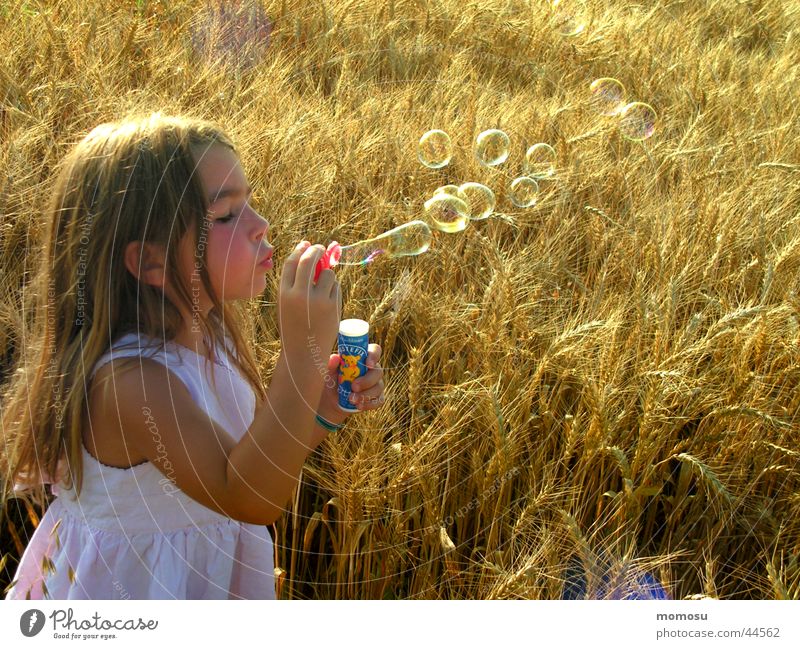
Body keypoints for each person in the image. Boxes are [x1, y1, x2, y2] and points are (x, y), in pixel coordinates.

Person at [0, 113, 386, 599]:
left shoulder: (211, 334)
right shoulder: (130, 383)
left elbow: (247, 458)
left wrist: (323, 408)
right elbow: (246, 495)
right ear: (151, 261)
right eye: (225, 215)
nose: (260, 225)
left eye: (250, 205)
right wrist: (303, 354)